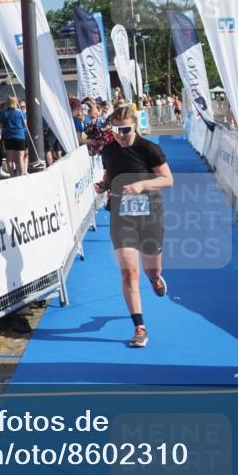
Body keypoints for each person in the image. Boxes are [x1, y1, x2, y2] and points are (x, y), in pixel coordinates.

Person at [94, 105, 173, 348]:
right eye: (115, 129)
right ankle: (139, 327)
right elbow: (110, 173)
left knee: (151, 271)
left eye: (125, 129)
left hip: (150, 216)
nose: (120, 134)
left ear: (135, 125)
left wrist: (141, 186)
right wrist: (104, 184)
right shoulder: (109, 150)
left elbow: (168, 180)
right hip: (122, 216)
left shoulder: (150, 149)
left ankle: (155, 279)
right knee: (129, 272)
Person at [0, 95, 27, 176]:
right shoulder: (20, 112)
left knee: (9, 158)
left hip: (8, 137)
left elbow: (1, 125)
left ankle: (12, 175)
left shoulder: (3, 112)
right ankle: (21, 175)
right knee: (20, 158)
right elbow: (25, 125)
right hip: (20, 137)